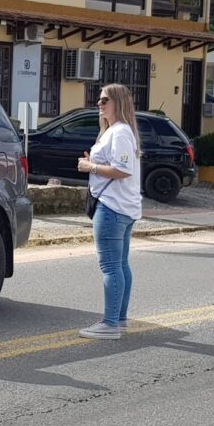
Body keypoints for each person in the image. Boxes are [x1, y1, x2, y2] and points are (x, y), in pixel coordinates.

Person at [76, 83, 142, 340]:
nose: (99, 104)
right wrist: (94, 163)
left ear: (118, 103)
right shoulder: (115, 131)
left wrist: (89, 166)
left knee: (111, 266)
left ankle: (110, 323)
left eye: (105, 100)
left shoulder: (120, 132)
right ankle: (119, 319)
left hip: (113, 207)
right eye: (99, 100)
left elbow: (122, 170)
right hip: (121, 207)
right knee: (120, 265)